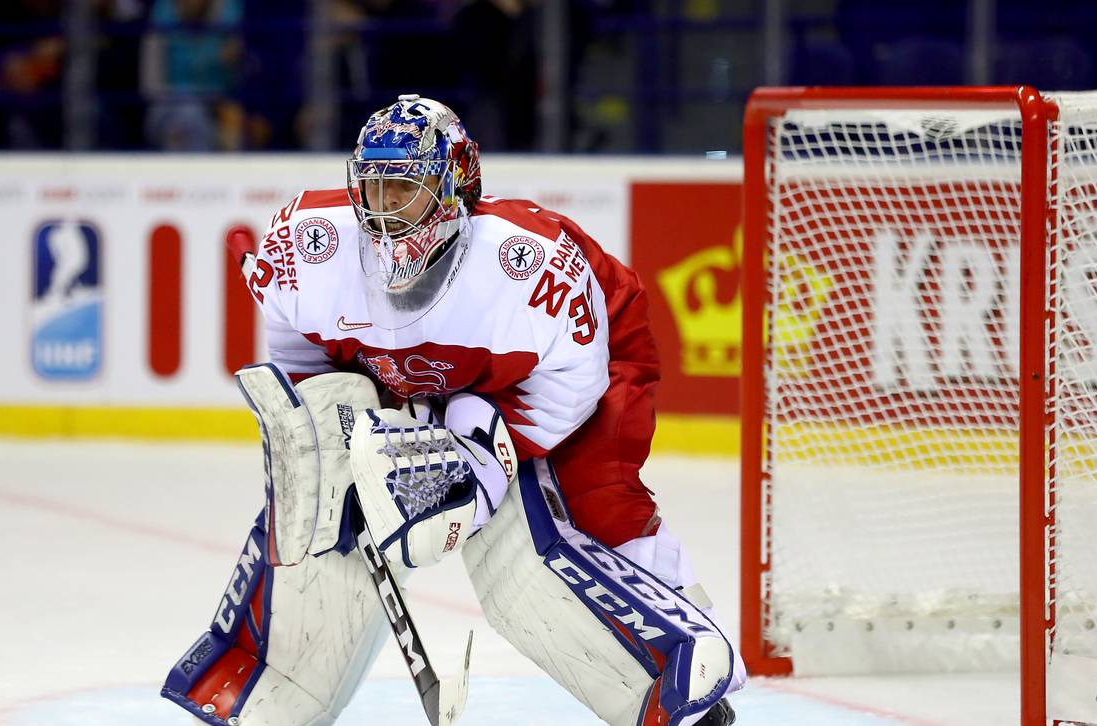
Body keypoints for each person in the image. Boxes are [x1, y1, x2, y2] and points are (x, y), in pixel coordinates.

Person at [161, 94, 744, 725]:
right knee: (315, 494)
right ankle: (274, 683)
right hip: (425, 376)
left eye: (402, 191)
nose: (382, 212)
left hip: (570, 369)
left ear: (454, 189)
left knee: (558, 525)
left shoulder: (529, 270)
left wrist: (484, 468)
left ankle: (679, 676)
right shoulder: (312, 245)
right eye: (373, 189)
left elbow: (571, 387)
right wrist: (352, 434)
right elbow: (300, 347)